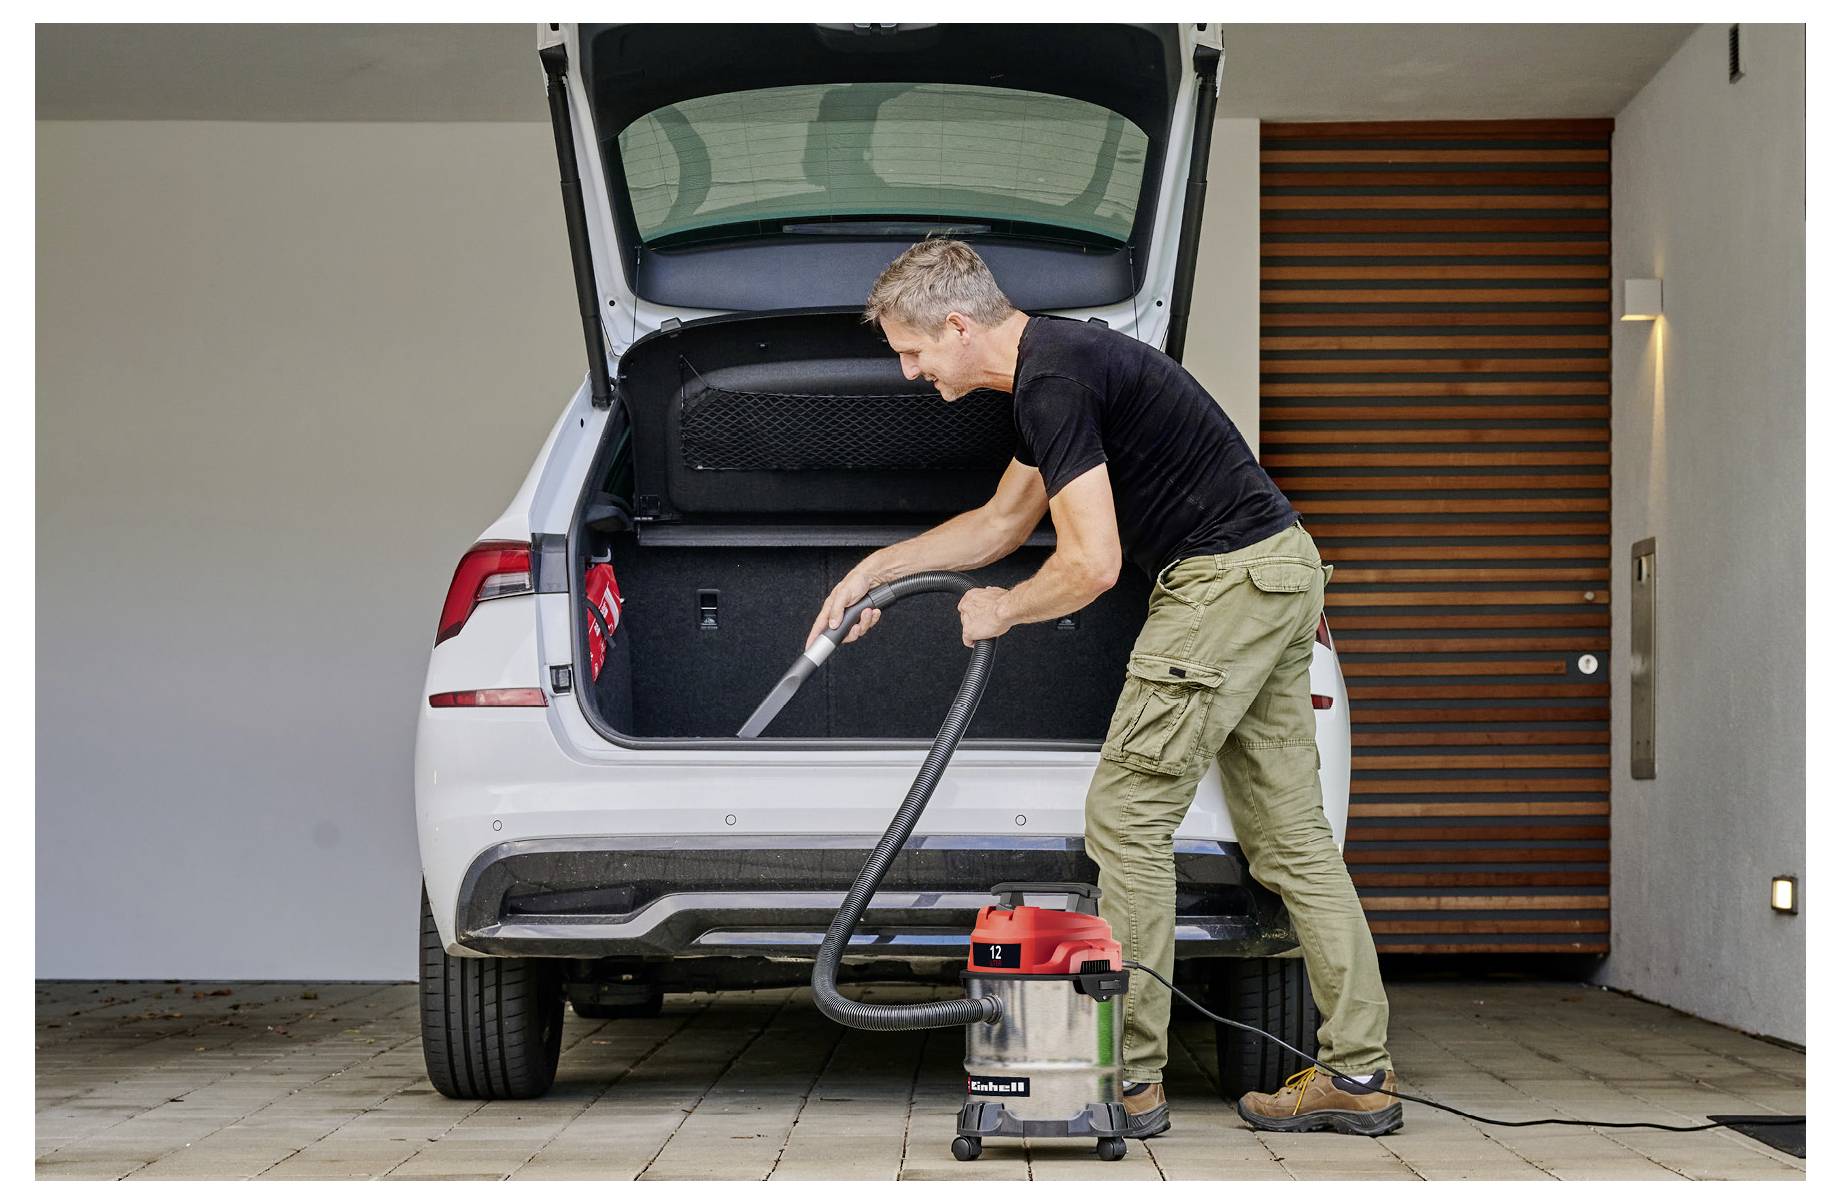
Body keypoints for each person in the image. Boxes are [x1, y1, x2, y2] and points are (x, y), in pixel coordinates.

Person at [807, 239, 1399, 1139]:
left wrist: (1005, 611)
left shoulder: (1055, 381)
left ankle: (1127, 1080)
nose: (910, 370)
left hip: (1223, 582)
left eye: (913, 349)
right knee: (1289, 841)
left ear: (958, 326)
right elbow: (1003, 521)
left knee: (1125, 819)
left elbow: (1090, 564)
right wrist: (872, 572)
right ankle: (1359, 1074)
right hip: (1277, 568)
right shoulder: (1058, 368)